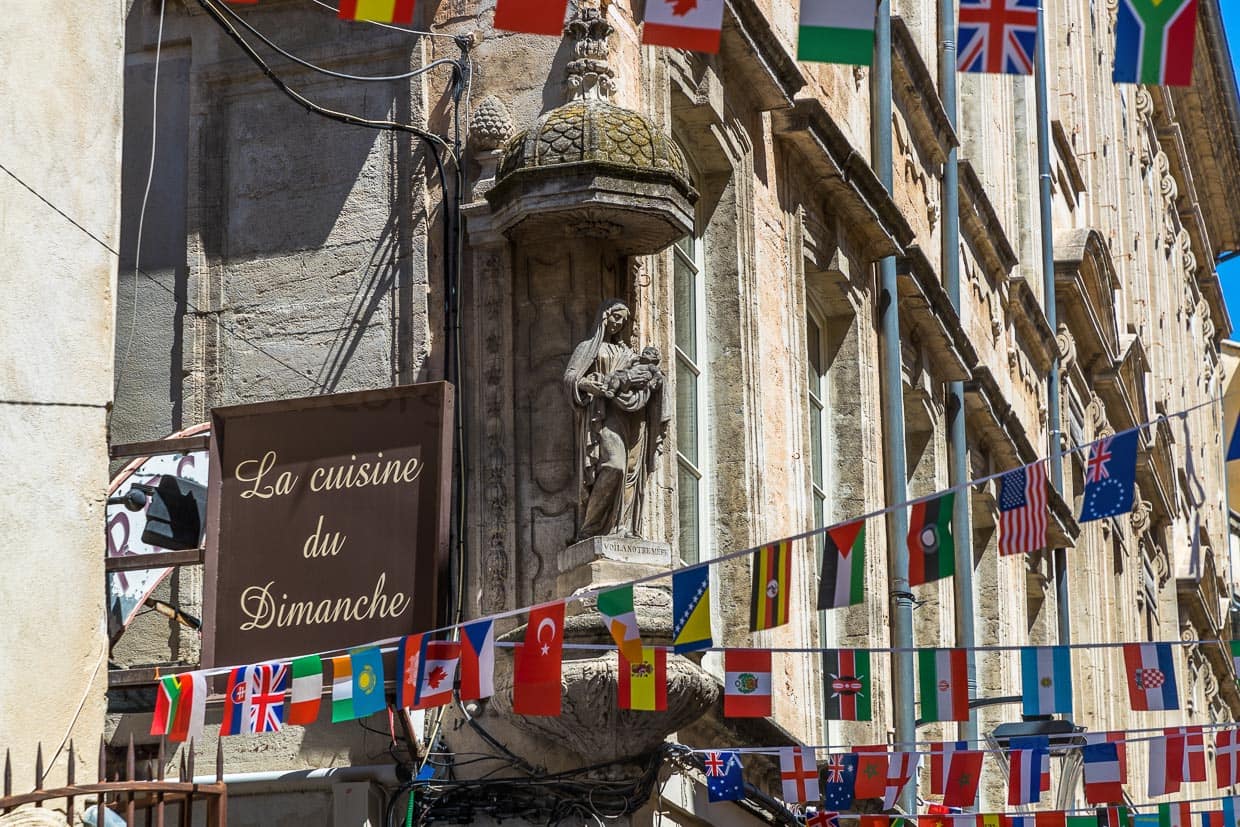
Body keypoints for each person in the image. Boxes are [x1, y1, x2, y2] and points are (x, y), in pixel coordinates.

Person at [563, 299, 669, 541]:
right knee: (614, 465)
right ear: (605, 317)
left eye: (623, 320)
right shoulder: (590, 348)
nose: (619, 323)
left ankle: (622, 528)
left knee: (631, 470)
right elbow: (570, 378)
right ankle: (591, 528)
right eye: (616, 317)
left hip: (635, 416)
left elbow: (653, 379)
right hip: (604, 414)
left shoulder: (631, 355)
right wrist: (587, 384)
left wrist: (654, 382)